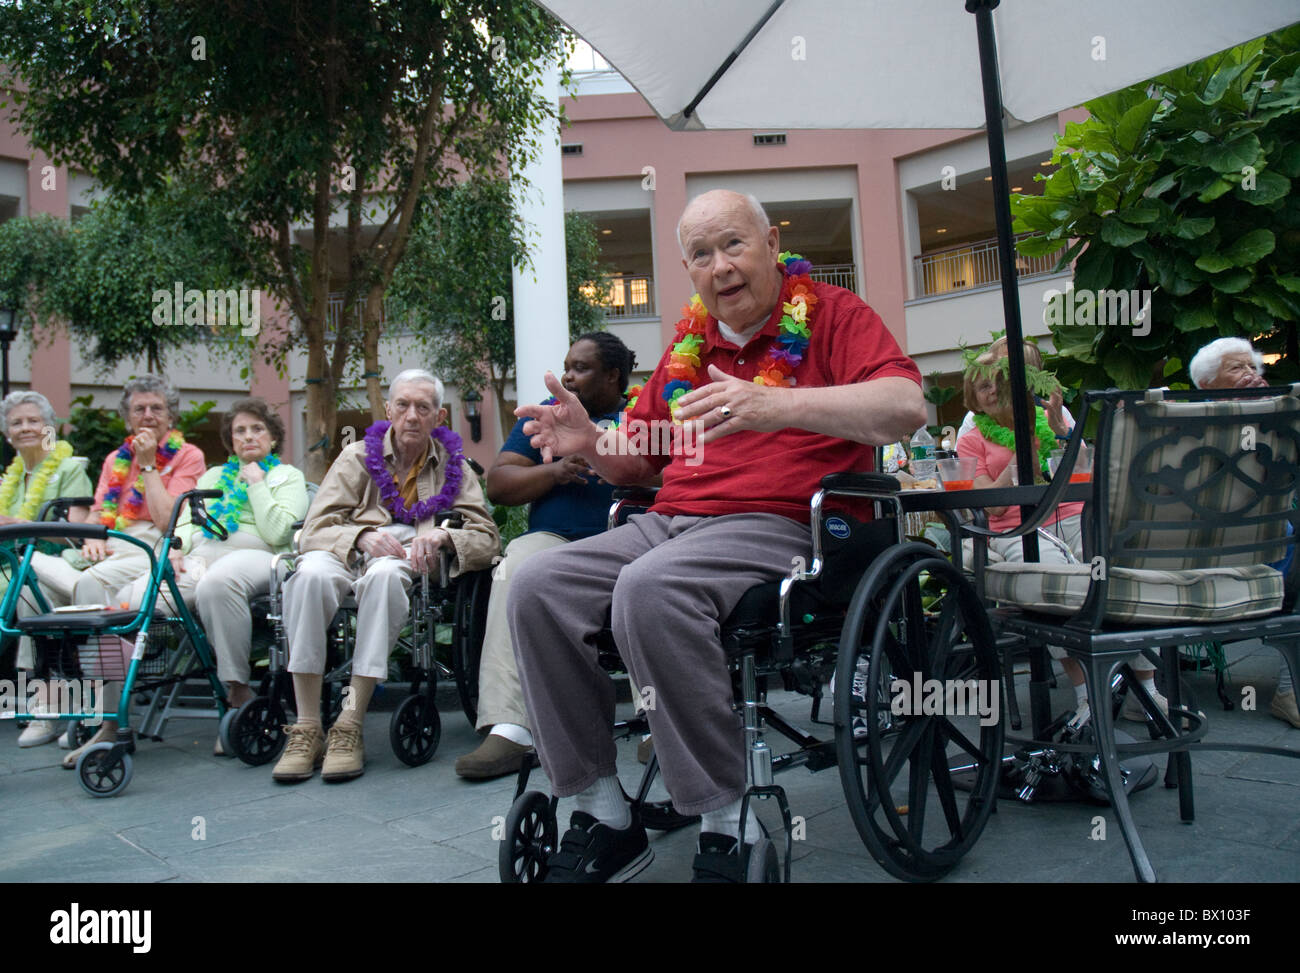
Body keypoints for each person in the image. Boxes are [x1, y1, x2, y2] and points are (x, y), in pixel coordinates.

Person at [508, 190, 926, 882]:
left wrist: (774, 403)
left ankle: (725, 819)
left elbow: (906, 406)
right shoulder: (688, 345)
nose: (720, 265)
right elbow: (643, 460)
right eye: (701, 253)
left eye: (733, 243)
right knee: (534, 583)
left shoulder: (834, 316)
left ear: (771, 241)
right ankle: (603, 812)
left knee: (650, 589)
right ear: (688, 268)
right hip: (670, 521)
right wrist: (591, 443)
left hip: (782, 522)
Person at [271, 369, 499, 783]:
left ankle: (349, 724)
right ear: (389, 409)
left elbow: (487, 538)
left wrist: (446, 537)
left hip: (406, 562)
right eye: (404, 405)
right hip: (344, 551)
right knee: (308, 577)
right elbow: (316, 527)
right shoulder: (356, 456)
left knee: (387, 576)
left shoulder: (454, 466)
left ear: (440, 417)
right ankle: (306, 727)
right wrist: (361, 535)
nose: (412, 416)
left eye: (423, 407)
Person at [454, 333, 637, 780]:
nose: (568, 376)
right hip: (554, 539)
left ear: (613, 375)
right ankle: (510, 728)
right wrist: (553, 472)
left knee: (649, 576)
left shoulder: (640, 415)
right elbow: (498, 484)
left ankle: (658, 724)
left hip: (625, 540)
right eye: (567, 365)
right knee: (514, 566)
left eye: (581, 368)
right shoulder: (545, 413)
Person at [957, 341, 1165, 726]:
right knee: (1055, 591)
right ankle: (1089, 695)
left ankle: (1145, 691)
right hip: (1017, 529)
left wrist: (1060, 434)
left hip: (1072, 515)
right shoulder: (972, 437)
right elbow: (994, 507)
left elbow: (1083, 473)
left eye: (1000, 383)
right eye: (983, 386)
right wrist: (1022, 454)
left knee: (1120, 576)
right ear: (975, 397)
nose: (992, 390)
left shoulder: (1051, 417)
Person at [28, 375, 206, 768]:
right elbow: (98, 512)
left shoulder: (187, 455)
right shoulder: (114, 458)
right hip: (110, 546)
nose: (147, 416)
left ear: (170, 416)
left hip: (153, 545)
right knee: (31, 577)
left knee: (89, 587)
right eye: (138, 409)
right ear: (127, 419)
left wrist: (147, 466)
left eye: (156, 408)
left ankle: (107, 723)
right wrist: (92, 534)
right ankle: (61, 704)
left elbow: (166, 522)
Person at [117, 397, 309, 754]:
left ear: (272, 436)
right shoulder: (213, 476)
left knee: (218, 583)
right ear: (230, 439)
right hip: (202, 556)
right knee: (127, 600)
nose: (248, 436)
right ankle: (110, 720)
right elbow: (188, 524)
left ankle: (237, 696)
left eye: (257, 429)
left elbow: (279, 532)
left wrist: (257, 484)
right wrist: (175, 548)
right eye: (240, 430)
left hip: (261, 557)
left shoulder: (286, 475)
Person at [1190, 336, 1296, 728]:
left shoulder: (1274, 420)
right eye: (1237, 369)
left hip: (1271, 541)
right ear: (1206, 385)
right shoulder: (1189, 427)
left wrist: (1273, 416)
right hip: (1210, 546)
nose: (1250, 375)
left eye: (1253, 368)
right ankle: (1289, 688)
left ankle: (1289, 687)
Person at [0, 391, 94, 748]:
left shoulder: (69, 468)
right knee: (22, 581)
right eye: (17, 423)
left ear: (49, 428)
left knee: (26, 586)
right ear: (7, 434)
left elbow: (75, 532)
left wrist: (9, 523)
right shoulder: (8, 479)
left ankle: (45, 705)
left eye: (33, 421)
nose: (25, 428)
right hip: (10, 566)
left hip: (54, 563)